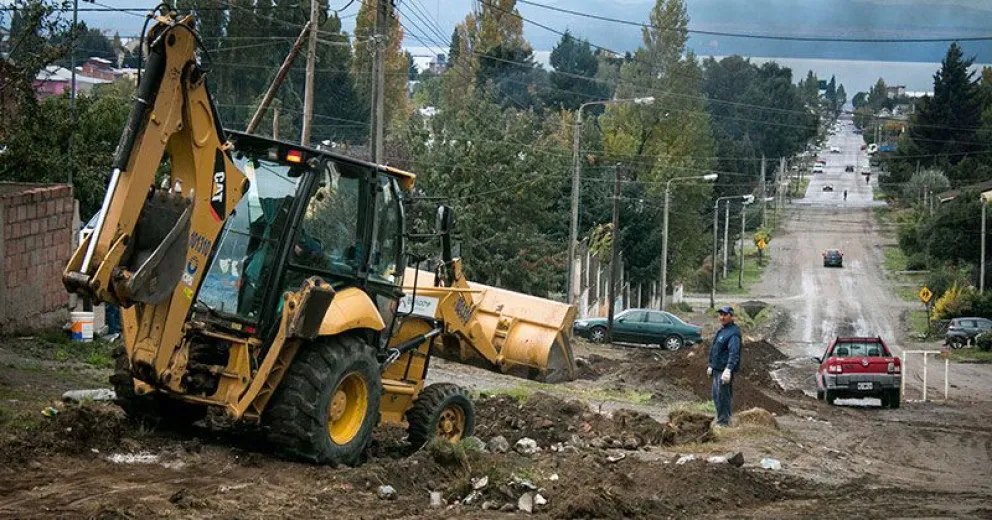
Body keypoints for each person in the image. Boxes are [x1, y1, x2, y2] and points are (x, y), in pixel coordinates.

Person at [707, 305, 742, 427]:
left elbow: (734, 353)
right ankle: (721, 419)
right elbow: (715, 349)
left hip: (724, 371)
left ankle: (724, 422)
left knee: (723, 397)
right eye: (720, 315)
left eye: (725, 315)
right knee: (716, 396)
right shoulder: (722, 330)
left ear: (731, 316)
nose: (722, 317)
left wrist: (728, 369)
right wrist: (711, 365)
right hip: (717, 369)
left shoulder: (733, 333)